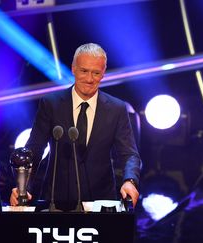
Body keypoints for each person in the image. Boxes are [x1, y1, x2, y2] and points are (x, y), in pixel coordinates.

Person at [10, 43, 141, 209]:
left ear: (103, 73)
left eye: (96, 73)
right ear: (73, 68)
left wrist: (130, 181)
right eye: (84, 71)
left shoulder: (117, 109)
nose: (89, 79)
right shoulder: (52, 104)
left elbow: (129, 154)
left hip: (101, 202)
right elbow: (35, 150)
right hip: (56, 201)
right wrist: (24, 188)